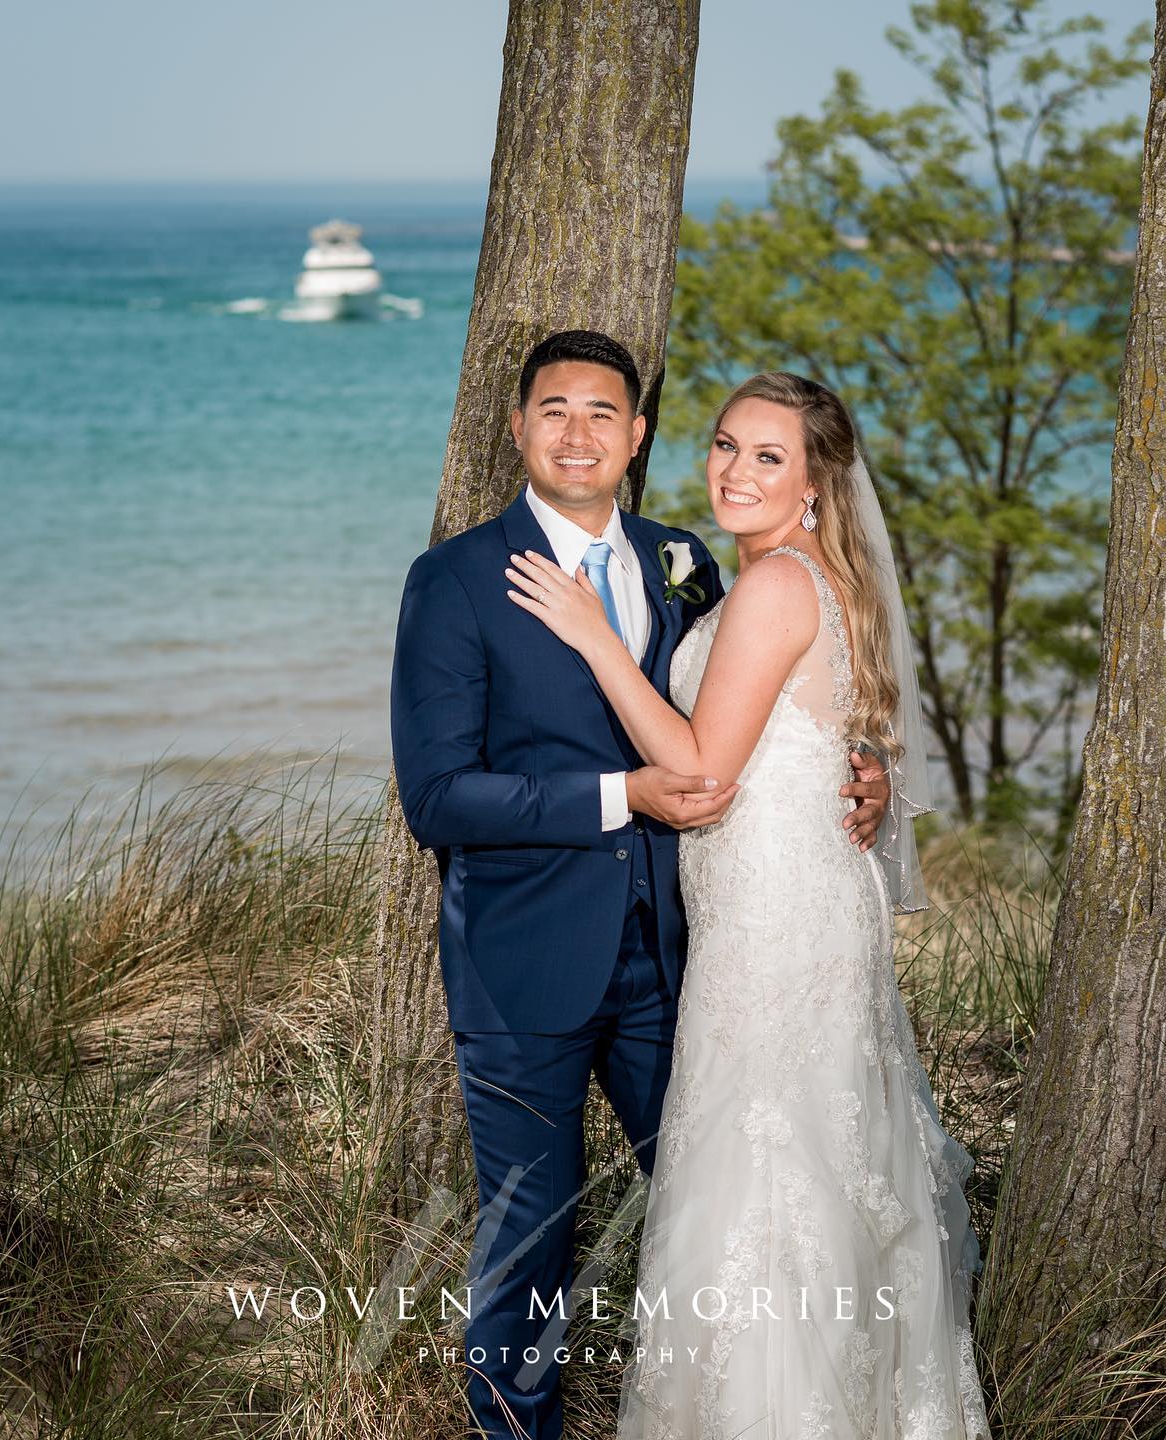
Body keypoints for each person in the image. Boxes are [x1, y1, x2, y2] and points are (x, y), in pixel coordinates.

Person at [390, 333, 892, 1440]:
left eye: (603, 413)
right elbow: (439, 799)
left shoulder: (691, 562)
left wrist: (859, 771)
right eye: (554, 410)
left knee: (741, 1196)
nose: (578, 433)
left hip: (694, 956)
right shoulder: (460, 580)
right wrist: (622, 795)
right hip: (524, 961)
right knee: (534, 1228)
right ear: (517, 429)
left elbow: (774, 711)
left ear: (638, 436)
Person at [505, 371, 991, 1438]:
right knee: (803, 1162)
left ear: (815, 481)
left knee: (761, 1174)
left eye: (767, 456)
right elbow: (820, 736)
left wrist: (591, 634)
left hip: (774, 922)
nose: (732, 469)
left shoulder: (775, 589)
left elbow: (701, 768)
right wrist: (859, 770)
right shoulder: (787, 578)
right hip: (786, 906)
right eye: (725, 445)